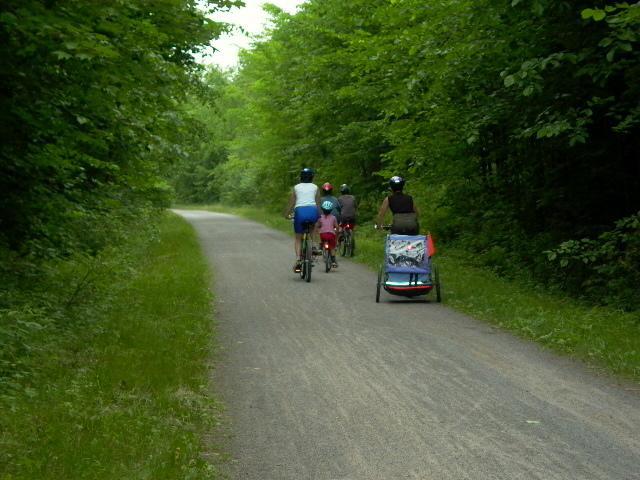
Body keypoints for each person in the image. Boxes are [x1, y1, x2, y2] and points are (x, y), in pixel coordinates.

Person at [284, 167, 320, 273]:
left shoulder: (296, 187)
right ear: (312, 177)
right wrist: (320, 216)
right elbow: (318, 203)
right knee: (313, 228)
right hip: (312, 211)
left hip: (300, 212)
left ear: (301, 177)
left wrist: (286, 214)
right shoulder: (315, 187)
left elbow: (292, 202)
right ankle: (313, 245)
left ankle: (298, 259)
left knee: (298, 238)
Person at [316, 200, 339, 268]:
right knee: (332, 247)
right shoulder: (333, 217)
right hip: (331, 235)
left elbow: (318, 225)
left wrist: (319, 227)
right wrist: (337, 231)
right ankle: (333, 260)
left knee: (321, 238)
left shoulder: (320, 217)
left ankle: (320, 247)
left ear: (322, 209)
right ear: (331, 210)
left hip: (322, 235)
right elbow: (337, 227)